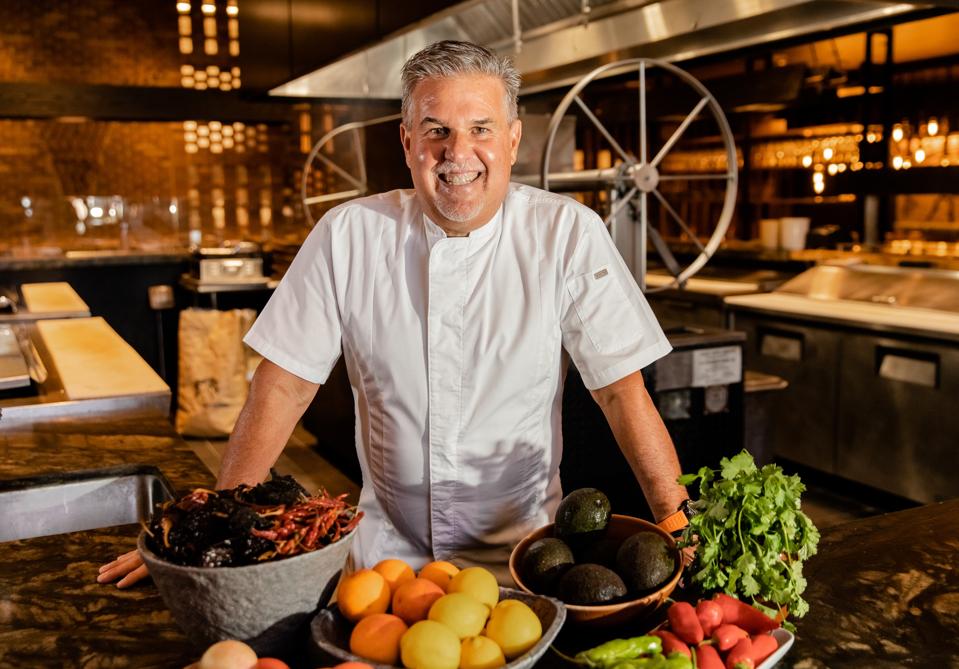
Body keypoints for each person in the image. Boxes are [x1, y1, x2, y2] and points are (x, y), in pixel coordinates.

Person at [99, 40, 688, 589]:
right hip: (383, 567)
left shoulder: (567, 233)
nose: (458, 153)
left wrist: (681, 528)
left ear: (511, 141)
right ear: (407, 143)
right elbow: (282, 387)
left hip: (528, 561)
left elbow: (621, 392)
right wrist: (210, 535)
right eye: (437, 131)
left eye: (479, 129)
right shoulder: (349, 234)